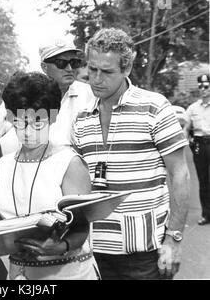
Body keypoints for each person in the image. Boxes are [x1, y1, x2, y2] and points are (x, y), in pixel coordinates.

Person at [72, 28, 190, 280]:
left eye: (107, 72)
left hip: (144, 254)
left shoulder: (154, 107)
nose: (96, 79)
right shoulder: (81, 118)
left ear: (126, 69)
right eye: (92, 69)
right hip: (94, 252)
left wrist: (174, 238)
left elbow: (180, 174)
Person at [0, 72, 99, 280]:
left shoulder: (69, 163)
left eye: (37, 124)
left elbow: (82, 228)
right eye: (20, 123)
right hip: (19, 274)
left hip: (68, 273)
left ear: (52, 117)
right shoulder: (3, 166)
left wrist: (60, 246)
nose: (27, 132)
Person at [0, 37, 93, 168]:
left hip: (74, 180)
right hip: (34, 180)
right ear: (44, 67)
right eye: (61, 63)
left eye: (74, 62)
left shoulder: (90, 95)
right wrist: (1, 173)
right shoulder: (24, 94)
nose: (69, 68)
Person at [184, 74, 210, 225]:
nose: (203, 89)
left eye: (206, 86)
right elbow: (186, 128)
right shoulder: (193, 108)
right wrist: (183, 142)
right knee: (203, 181)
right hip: (200, 145)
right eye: (200, 86)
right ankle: (206, 214)